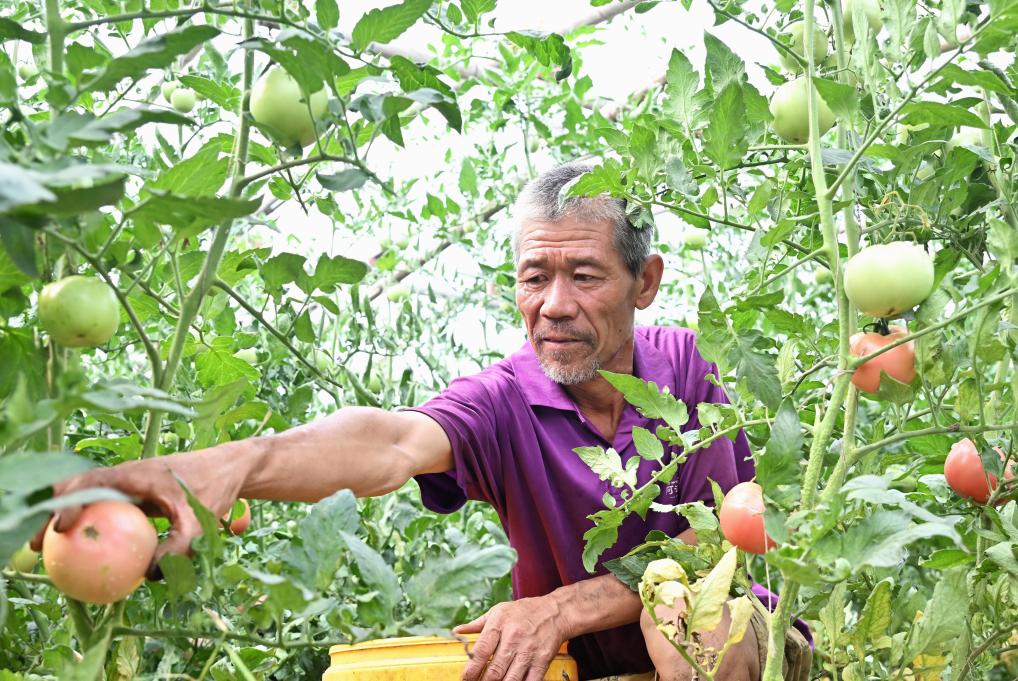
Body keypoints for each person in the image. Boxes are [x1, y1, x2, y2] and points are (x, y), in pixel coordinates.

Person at [33, 163, 811, 681]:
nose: (554, 304)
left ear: (645, 283)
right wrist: (232, 464)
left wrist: (559, 606)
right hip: (577, 665)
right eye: (534, 277)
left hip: (738, 652)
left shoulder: (697, 371)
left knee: (680, 606)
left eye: (584, 275)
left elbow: (714, 542)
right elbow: (389, 441)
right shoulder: (506, 399)